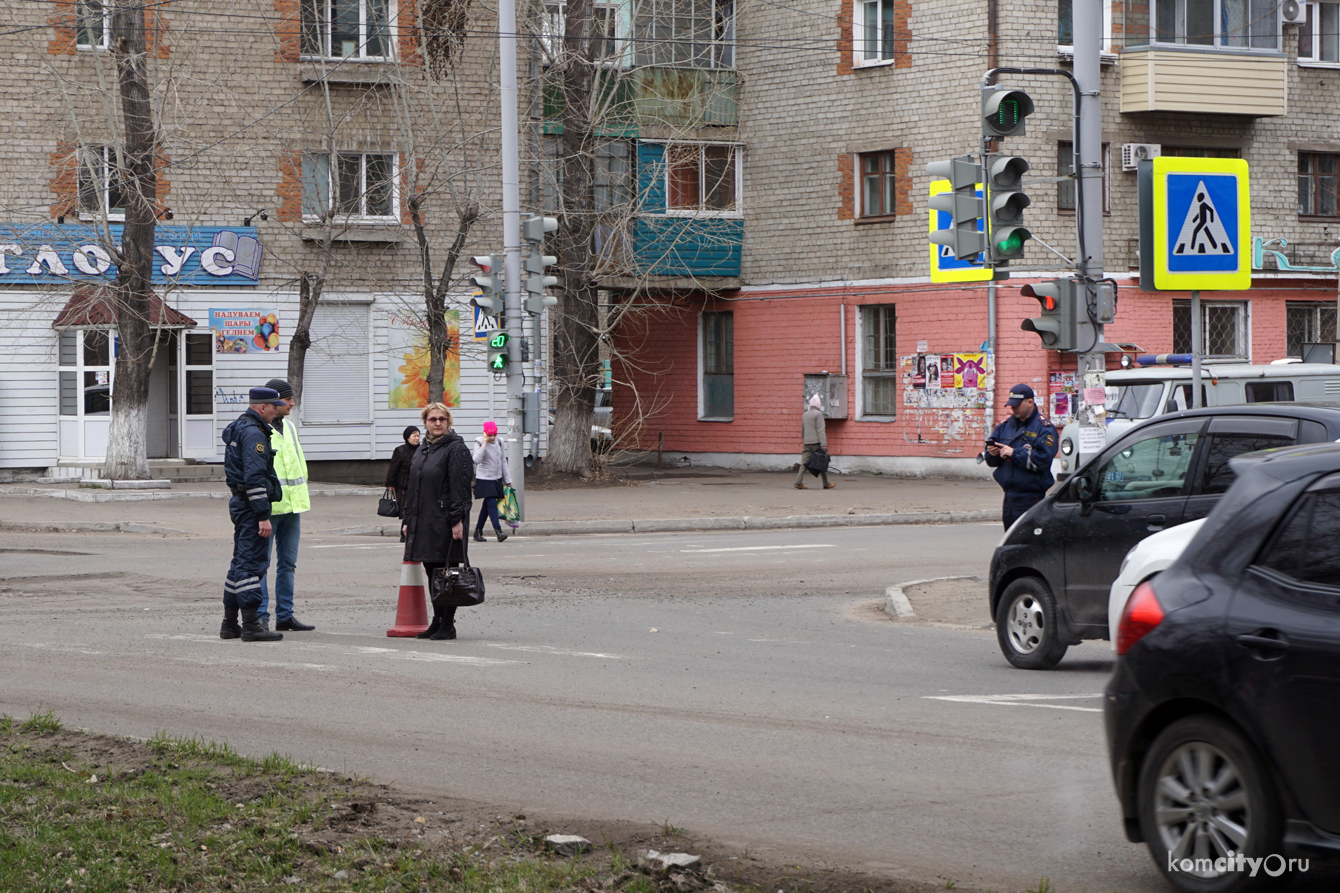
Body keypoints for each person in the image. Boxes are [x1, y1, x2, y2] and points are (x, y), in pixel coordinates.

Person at [401, 403, 473, 641]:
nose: (438, 423)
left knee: (448, 572)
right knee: (432, 572)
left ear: (448, 421)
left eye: (442, 419)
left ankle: (448, 624)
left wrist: (457, 520)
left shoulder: (456, 448)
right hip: (425, 520)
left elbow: (460, 489)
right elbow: (413, 488)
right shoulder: (423, 449)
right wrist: (408, 519)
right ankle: (437, 620)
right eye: (433, 419)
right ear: (425, 423)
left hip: (445, 521)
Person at [220, 386, 286, 643]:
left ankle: (229, 623)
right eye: (274, 406)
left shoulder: (240, 427)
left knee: (239, 563)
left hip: (240, 503)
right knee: (251, 565)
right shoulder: (254, 434)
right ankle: (250, 625)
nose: (276, 410)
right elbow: (254, 477)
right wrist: (262, 515)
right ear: (262, 407)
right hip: (250, 507)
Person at [255, 379, 315, 633]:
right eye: (288, 399)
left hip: (292, 507)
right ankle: (260, 616)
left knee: (288, 564)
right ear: (273, 402)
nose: (292, 403)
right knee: (261, 565)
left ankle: (285, 615)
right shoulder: (257, 429)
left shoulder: (289, 427)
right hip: (268, 510)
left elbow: (298, 464)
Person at [985, 384, 1059, 529]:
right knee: (1010, 540)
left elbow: (1043, 459)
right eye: (1011, 405)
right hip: (1009, 497)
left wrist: (1014, 453)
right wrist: (992, 453)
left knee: (1028, 542)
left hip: (1031, 498)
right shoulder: (1005, 426)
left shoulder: (1044, 428)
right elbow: (990, 458)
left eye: (1017, 405)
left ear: (1030, 402)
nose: (1013, 409)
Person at [472, 420, 512, 542]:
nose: (492, 437)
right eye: (490, 435)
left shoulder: (500, 442)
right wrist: (484, 445)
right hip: (484, 478)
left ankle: (477, 531)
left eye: (494, 435)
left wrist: (508, 479)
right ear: (485, 434)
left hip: (496, 478)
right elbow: (476, 459)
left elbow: (503, 461)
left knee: (487, 506)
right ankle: (498, 531)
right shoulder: (478, 442)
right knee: (492, 504)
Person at [795, 394, 834, 490]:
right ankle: (826, 483)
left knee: (804, 463)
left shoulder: (805, 415)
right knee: (821, 461)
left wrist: (804, 441)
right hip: (816, 442)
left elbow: (802, 430)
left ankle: (798, 482)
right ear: (818, 405)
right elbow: (820, 430)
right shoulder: (818, 414)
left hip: (807, 443)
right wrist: (823, 444)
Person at [384, 425, 420, 504]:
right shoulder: (400, 450)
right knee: (405, 510)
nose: (417, 438)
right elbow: (393, 468)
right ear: (407, 437)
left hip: (419, 487)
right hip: (403, 487)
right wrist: (390, 483)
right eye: (414, 436)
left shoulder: (421, 450)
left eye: (418, 436)